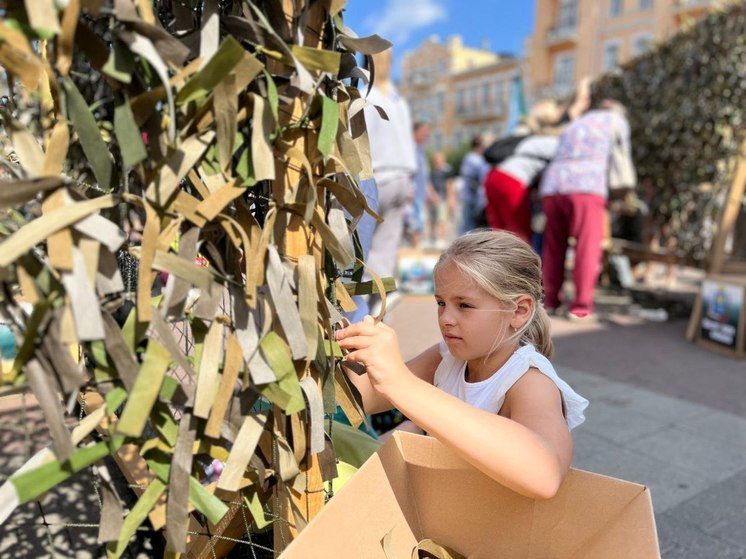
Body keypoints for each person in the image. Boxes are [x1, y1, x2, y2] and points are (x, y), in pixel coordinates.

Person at [336, 230, 588, 499]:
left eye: (464, 305)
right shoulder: (449, 357)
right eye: (441, 303)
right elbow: (364, 398)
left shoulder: (529, 381)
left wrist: (401, 382)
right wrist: (352, 351)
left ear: (519, 310)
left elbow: (545, 475)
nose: (446, 318)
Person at [539, 100, 634, 320]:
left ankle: (550, 300)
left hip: (553, 185)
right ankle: (580, 306)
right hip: (587, 185)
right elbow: (622, 155)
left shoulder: (575, 124)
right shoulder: (616, 120)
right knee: (587, 246)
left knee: (553, 246)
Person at [364, 47, 417, 281]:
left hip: (376, 175)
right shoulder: (397, 99)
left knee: (363, 244)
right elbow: (408, 141)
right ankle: (379, 304)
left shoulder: (365, 95)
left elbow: (360, 140)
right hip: (402, 177)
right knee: (386, 246)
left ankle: (360, 304)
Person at [483, 101, 564, 243]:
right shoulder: (553, 142)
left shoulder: (528, 137)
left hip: (493, 176)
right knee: (519, 235)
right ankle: (520, 266)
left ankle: (497, 264)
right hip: (512, 181)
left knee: (499, 233)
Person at [406, 121, 431, 248]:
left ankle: (414, 252)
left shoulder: (420, 150)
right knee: (414, 226)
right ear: (415, 132)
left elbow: (424, 176)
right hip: (412, 196)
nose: (427, 135)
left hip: (419, 196)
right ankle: (413, 257)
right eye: (424, 132)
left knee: (417, 227)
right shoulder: (411, 149)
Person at [458, 135, 490, 234]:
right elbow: (473, 179)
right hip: (473, 198)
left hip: (472, 197)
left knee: (469, 226)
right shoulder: (474, 159)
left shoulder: (471, 158)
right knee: (470, 226)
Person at [427, 151, 454, 247]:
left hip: (443, 198)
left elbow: (449, 186)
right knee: (432, 220)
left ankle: (442, 239)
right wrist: (432, 195)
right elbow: (429, 185)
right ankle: (432, 238)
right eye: (436, 160)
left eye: (438, 160)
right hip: (433, 199)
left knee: (442, 219)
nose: (437, 162)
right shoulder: (432, 172)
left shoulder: (446, 172)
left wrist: (451, 199)